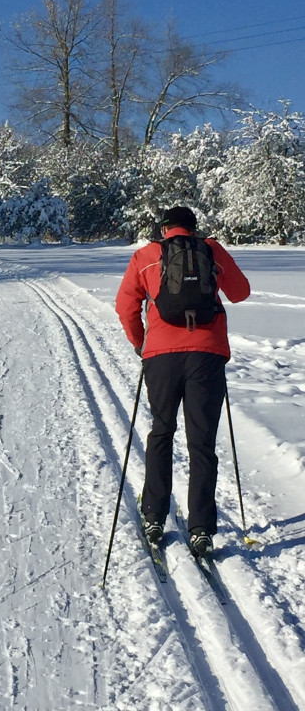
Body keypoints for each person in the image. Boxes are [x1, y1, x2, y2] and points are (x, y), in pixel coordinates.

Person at [115, 206, 250, 557]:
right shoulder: (211, 250)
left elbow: (125, 305)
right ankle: (201, 528)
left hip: (161, 355)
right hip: (207, 354)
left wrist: (140, 343)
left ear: (164, 229)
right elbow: (240, 292)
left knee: (162, 431)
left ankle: (154, 516)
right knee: (201, 442)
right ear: (193, 228)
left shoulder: (146, 256)